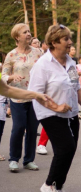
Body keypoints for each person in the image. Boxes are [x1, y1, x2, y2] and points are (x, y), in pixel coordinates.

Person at [28, 24, 81, 192]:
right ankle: (48, 184)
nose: (70, 42)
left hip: (71, 112)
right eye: (66, 39)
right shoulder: (43, 65)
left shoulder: (71, 63)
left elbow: (76, 87)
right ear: (54, 42)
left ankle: (58, 187)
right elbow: (35, 94)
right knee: (65, 148)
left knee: (70, 150)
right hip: (50, 113)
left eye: (69, 38)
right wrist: (56, 106)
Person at [2, 23, 42, 172]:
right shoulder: (11, 55)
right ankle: (13, 159)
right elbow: (4, 75)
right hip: (17, 97)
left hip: (34, 97)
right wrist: (11, 77)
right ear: (17, 37)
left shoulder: (38, 52)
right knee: (18, 128)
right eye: (25, 32)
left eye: (29, 31)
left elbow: (45, 70)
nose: (28, 34)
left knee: (32, 129)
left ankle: (29, 160)